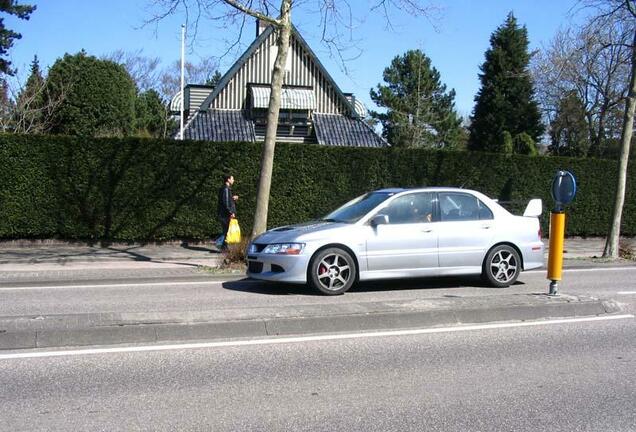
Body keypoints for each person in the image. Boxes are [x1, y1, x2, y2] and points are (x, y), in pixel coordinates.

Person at [217, 174, 238, 250]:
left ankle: (224, 248)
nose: (233, 180)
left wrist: (233, 199)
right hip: (225, 214)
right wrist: (230, 212)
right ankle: (222, 246)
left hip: (224, 213)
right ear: (228, 180)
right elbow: (225, 202)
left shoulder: (226, 189)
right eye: (232, 179)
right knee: (226, 231)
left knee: (226, 231)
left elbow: (226, 200)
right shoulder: (226, 189)